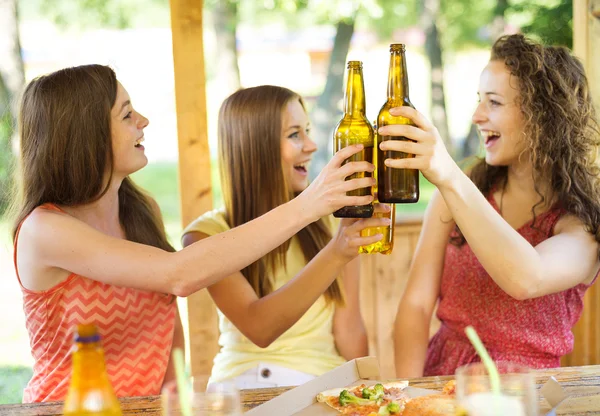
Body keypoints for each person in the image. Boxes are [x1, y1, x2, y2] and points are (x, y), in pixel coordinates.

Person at [10, 65, 377, 402]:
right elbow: (179, 275)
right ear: (85, 133)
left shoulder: (140, 212)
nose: (143, 120)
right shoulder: (45, 230)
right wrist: (310, 204)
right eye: (127, 115)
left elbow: (168, 332)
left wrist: (177, 399)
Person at [390, 34, 600, 377]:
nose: (476, 115)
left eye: (494, 102)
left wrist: (449, 175)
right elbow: (415, 306)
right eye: (479, 100)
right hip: (439, 381)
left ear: (541, 116)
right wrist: (407, 394)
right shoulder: (459, 194)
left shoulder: (581, 225)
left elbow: (526, 279)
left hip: (525, 397)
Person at [182, 85, 387, 388]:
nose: (311, 145)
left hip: (319, 386)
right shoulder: (206, 236)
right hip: (242, 388)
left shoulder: (333, 223)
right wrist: (337, 252)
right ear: (255, 146)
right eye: (295, 135)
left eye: (307, 130)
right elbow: (259, 327)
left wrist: (371, 393)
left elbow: (349, 330)